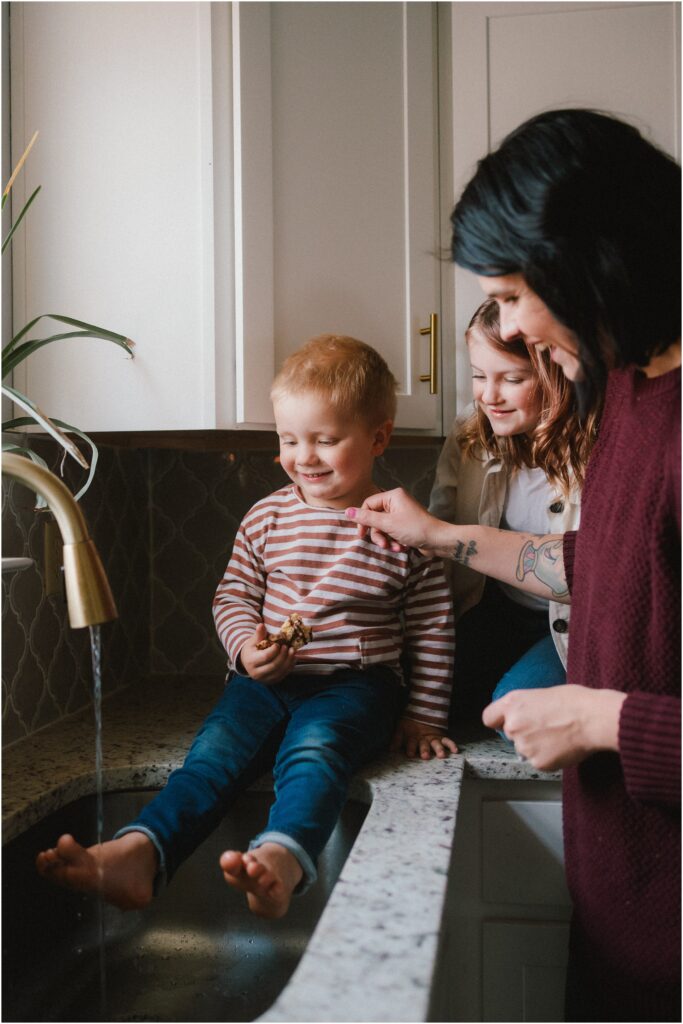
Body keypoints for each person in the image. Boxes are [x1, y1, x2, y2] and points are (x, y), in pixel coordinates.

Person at [346, 109, 680, 1021]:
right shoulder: (630, 396)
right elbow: (608, 567)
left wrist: (603, 718)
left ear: (586, 264)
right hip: (623, 936)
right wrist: (438, 536)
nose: (511, 328)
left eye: (510, 294)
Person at [36, 334, 456, 921]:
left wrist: (424, 716)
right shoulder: (266, 516)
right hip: (260, 682)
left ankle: (282, 859)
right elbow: (234, 593)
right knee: (210, 759)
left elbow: (433, 627)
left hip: (356, 686)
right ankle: (140, 853)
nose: (302, 456)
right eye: (288, 439)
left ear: (379, 437)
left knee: (315, 754)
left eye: (325, 440)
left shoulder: (402, 527)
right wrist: (244, 648)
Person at [429, 296, 597, 728]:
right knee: (435, 707)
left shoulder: (597, 446)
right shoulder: (470, 435)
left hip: (574, 623)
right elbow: (439, 540)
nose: (489, 395)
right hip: (497, 610)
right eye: (478, 375)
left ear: (556, 373)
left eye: (512, 378)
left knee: (513, 717)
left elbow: (588, 569)